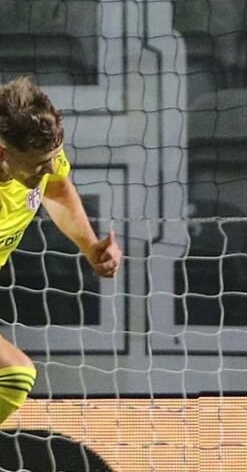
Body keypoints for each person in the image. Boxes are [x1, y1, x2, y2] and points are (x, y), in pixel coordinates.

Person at [0, 77, 122, 425]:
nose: (51, 168)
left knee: (13, 375)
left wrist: (90, 246)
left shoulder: (39, 152)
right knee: (14, 374)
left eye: (54, 157)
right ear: (2, 152)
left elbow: (56, 189)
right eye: (41, 162)